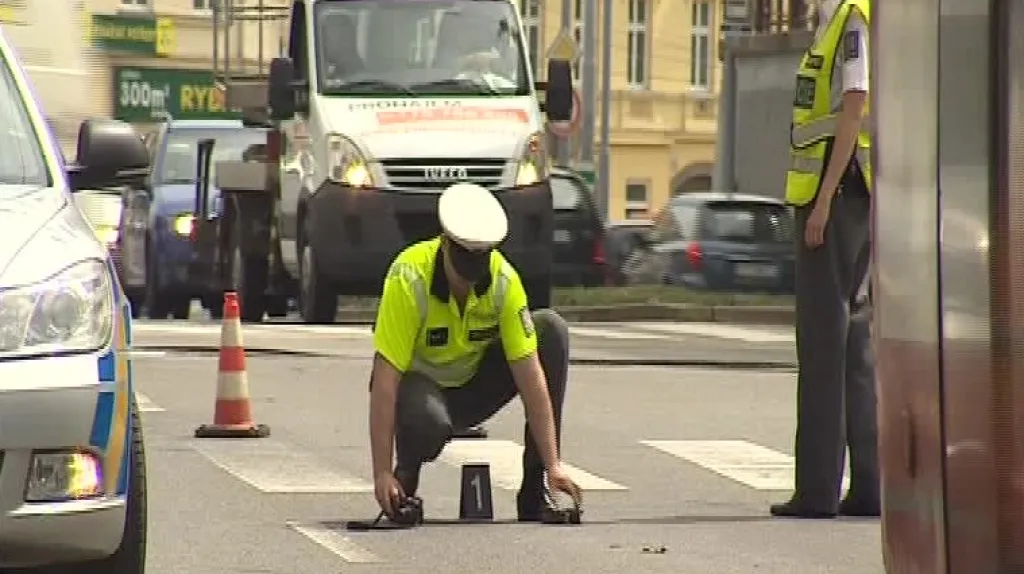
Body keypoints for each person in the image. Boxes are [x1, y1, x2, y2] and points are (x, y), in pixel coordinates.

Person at [368, 182, 581, 522]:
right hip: (419, 395)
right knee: (427, 423)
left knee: (551, 331)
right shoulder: (409, 277)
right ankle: (405, 476)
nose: (467, 283)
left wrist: (554, 463)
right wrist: (381, 472)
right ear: (444, 241)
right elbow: (384, 381)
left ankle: (535, 488)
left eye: (477, 266)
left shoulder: (502, 280)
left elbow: (531, 377)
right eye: (461, 265)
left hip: (473, 389)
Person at [771, 0, 879, 519]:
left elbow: (855, 99)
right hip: (849, 195)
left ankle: (816, 490)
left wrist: (825, 198)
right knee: (856, 344)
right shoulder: (837, 20)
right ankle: (870, 487)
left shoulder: (849, 18)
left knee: (823, 346)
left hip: (835, 195)